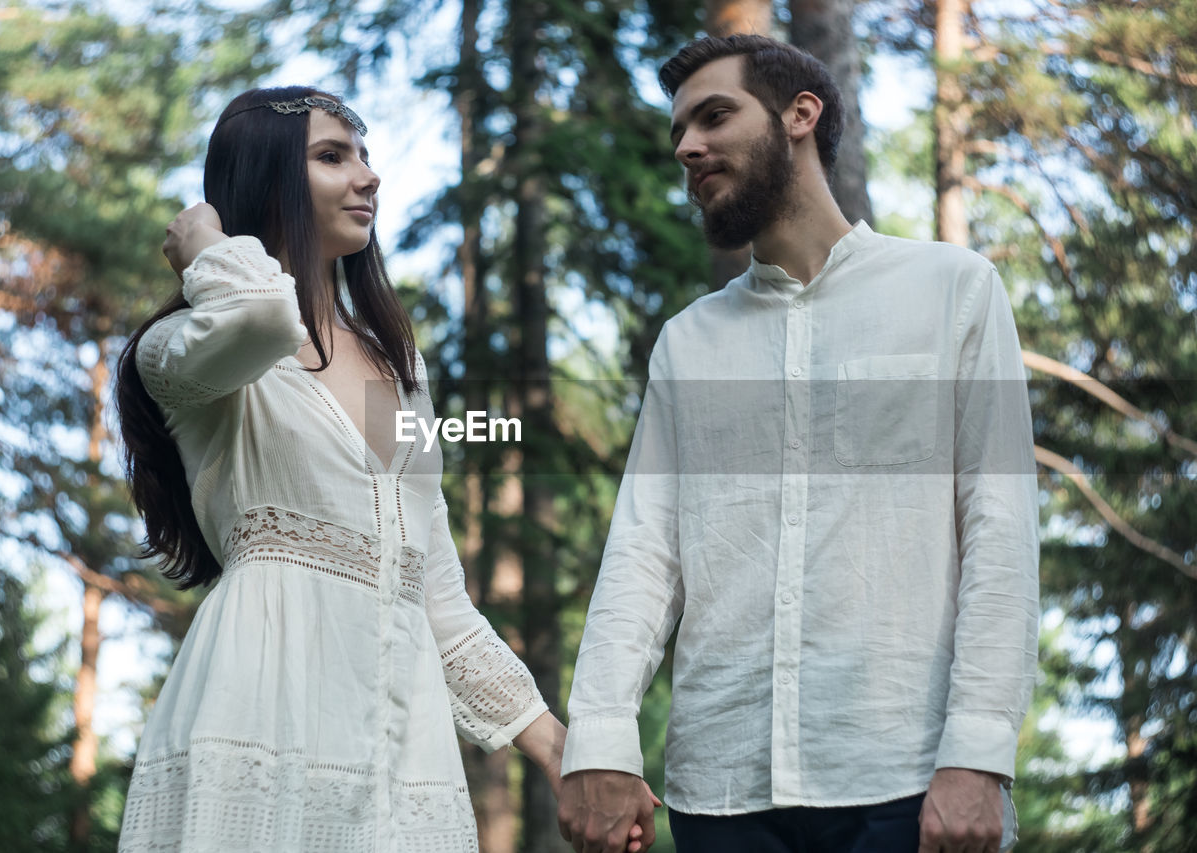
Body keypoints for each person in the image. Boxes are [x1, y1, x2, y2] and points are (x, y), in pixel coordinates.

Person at [556, 36, 1039, 853]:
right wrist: (598, 739)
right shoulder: (688, 342)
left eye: (714, 116)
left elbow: (999, 530)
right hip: (722, 791)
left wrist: (979, 752)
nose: (686, 148)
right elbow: (643, 553)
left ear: (800, 115)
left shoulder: (954, 291)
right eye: (677, 132)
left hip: (908, 779)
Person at [114, 86, 568, 853]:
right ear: (265, 182)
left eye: (364, 155)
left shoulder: (399, 366)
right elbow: (263, 318)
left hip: (401, 743)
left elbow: (434, 594)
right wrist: (207, 245)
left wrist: (560, 750)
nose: (369, 176)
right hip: (262, 712)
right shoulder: (186, 348)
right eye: (333, 156)